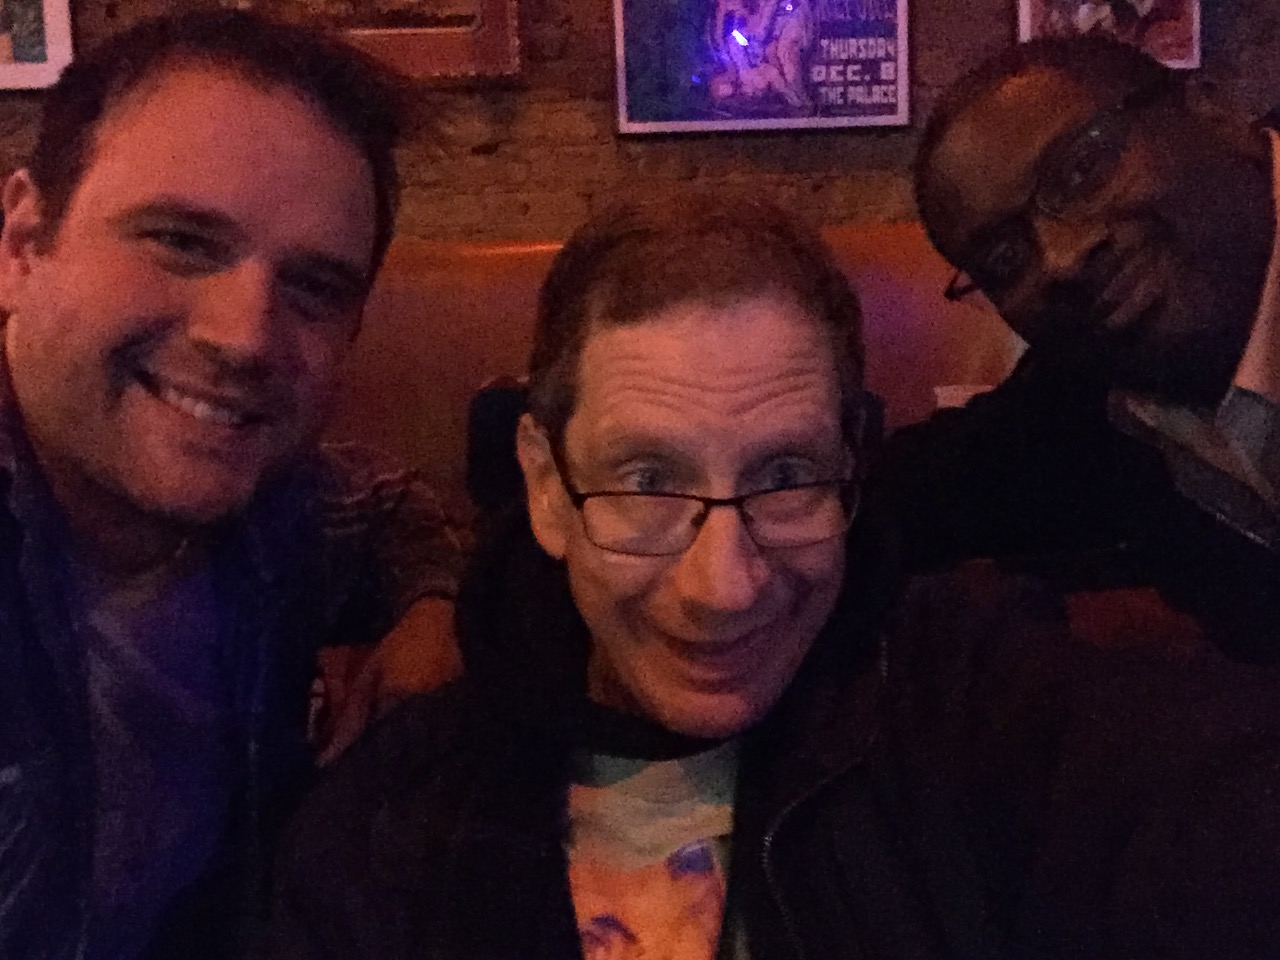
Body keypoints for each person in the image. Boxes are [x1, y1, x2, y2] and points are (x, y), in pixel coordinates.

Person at [266, 194, 1280, 959]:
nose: (726, 588)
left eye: (786, 476)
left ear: (851, 465)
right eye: (646, 481)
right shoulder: (392, 824)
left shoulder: (973, 698)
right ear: (543, 485)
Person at [0, 11, 465, 960]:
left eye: (314, 287)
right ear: (22, 243)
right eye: (180, 241)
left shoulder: (279, 515)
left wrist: (436, 608)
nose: (245, 336)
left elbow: (386, 505)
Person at [886, 34, 1280, 661]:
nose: (1060, 260)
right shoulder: (1089, 398)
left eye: (1082, 170)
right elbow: (906, 496)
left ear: (1215, 112)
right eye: (1005, 258)